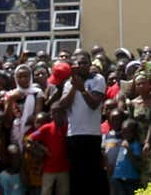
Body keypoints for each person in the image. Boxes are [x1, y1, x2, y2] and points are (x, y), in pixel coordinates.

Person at [55, 51, 105, 195]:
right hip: (74, 135)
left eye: (84, 63)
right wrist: (74, 87)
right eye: (78, 63)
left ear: (90, 65)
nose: (81, 66)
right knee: (77, 178)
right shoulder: (68, 83)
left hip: (92, 135)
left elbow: (94, 104)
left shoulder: (97, 79)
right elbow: (62, 105)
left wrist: (82, 89)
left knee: (93, 177)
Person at [108, 120, 142, 195]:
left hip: (131, 180)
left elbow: (137, 165)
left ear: (134, 132)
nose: (125, 134)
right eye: (123, 131)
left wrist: (129, 150)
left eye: (128, 132)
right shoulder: (120, 143)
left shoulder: (135, 145)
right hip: (117, 179)